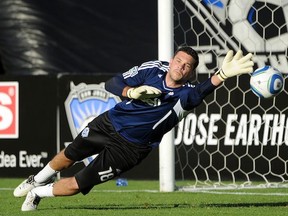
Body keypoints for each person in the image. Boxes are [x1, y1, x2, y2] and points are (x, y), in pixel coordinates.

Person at [13, 46, 254, 211]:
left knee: (78, 183)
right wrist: (131, 91)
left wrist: (222, 75)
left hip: (130, 149)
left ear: (191, 72)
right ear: (171, 61)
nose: (181, 66)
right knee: (68, 156)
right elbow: (112, 83)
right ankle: (35, 180)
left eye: (187, 66)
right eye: (179, 60)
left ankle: (38, 193)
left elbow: (202, 90)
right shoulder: (153, 69)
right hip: (108, 124)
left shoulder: (186, 95)